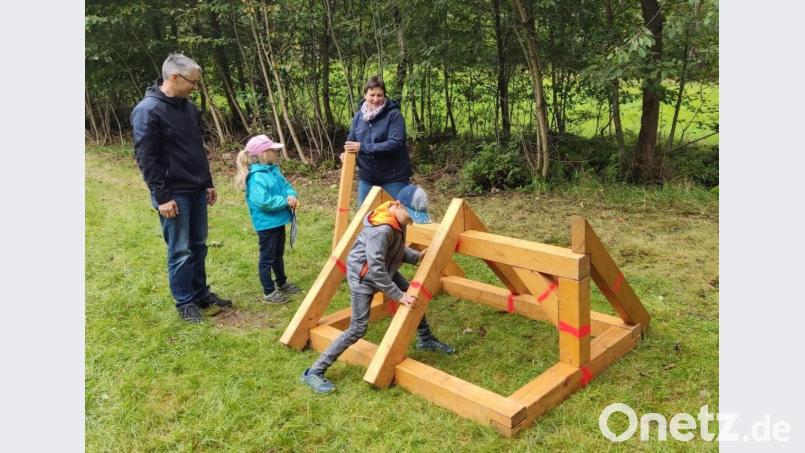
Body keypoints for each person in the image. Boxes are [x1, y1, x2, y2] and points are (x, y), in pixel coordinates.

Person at [300, 185, 454, 394]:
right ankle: (314, 372)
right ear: (398, 205)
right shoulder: (381, 230)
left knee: (413, 295)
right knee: (358, 328)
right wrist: (398, 296)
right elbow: (376, 268)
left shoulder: (397, 220)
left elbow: (396, 249)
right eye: (410, 216)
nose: (411, 221)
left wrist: (415, 257)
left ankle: (426, 340)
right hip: (365, 278)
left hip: (383, 270)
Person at [131, 52, 232, 323]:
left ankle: (200, 294)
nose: (195, 87)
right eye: (192, 82)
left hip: (197, 189)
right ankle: (184, 302)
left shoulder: (187, 107)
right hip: (173, 194)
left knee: (198, 245)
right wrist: (162, 197)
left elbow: (196, 149)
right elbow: (146, 159)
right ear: (174, 77)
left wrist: (207, 182)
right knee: (180, 249)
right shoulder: (147, 111)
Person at [234, 134, 303, 304]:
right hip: (267, 225)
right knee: (267, 258)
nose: (276, 152)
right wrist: (285, 202)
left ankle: (282, 283)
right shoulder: (256, 177)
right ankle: (268, 292)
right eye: (273, 150)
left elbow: (286, 186)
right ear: (264, 154)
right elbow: (263, 202)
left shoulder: (273, 170)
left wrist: (291, 195)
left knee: (278, 255)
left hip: (278, 221)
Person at [343, 76, 412, 204]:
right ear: (365, 95)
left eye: (380, 95)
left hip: (393, 177)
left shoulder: (394, 115)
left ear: (384, 96)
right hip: (367, 177)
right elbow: (351, 141)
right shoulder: (358, 116)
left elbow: (395, 143)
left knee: (394, 217)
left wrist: (362, 147)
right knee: (364, 217)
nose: (376, 99)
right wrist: (346, 153)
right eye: (372, 95)